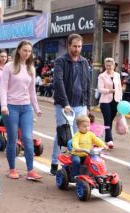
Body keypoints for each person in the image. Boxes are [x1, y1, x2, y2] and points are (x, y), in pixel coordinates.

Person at [0, 40, 42, 180]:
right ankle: (12, 169)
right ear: (18, 50)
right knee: (12, 139)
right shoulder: (9, 66)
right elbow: (3, 88)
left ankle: (30, 170)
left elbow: (32, 91)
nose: (27, 53)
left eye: (29, 51)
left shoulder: (31, 68)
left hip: (26, 107)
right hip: (10, 107)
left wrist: (36, 108)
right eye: (25, 50)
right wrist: (3, 105)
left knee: (27, 138)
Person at [50, 33, 91, 175]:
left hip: (80, 104)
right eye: (74, 46)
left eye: (79, 46)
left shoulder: (84, 62)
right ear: (69, 45)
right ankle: (55, 162)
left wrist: (88, 106)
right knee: (62, 134)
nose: (77, 49)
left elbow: (87, 84)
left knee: (80, 134)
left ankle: (77, 163)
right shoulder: (60, 61)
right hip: (63, 105)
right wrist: (65, 103)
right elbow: (58, 82)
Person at [71, 115, 108, 180]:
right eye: (84, 126)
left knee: (96, 161)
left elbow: (96, 140)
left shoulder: (90, 134)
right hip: (77, 154)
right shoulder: (77, 135)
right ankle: (75, 176)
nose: (87, 128)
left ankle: (96, 174)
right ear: (78, 127)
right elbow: (75, 144)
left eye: (88, 126)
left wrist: (103, 145)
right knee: (76, 161)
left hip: (87, 154)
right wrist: (78, 148)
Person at [98, 57, 122, 148]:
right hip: (105, 101)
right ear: (105, 66)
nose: (108, 67)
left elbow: (119, 89)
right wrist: (110, 90)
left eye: (110, 65)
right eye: (107, 65)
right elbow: (100, 89)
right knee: (107, 120)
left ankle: (107, 138)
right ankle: (109, 140)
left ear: (114, 66)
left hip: (115, 100)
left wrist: (120, 100)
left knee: (110, 120)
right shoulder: (101, 76)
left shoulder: (117, 75)